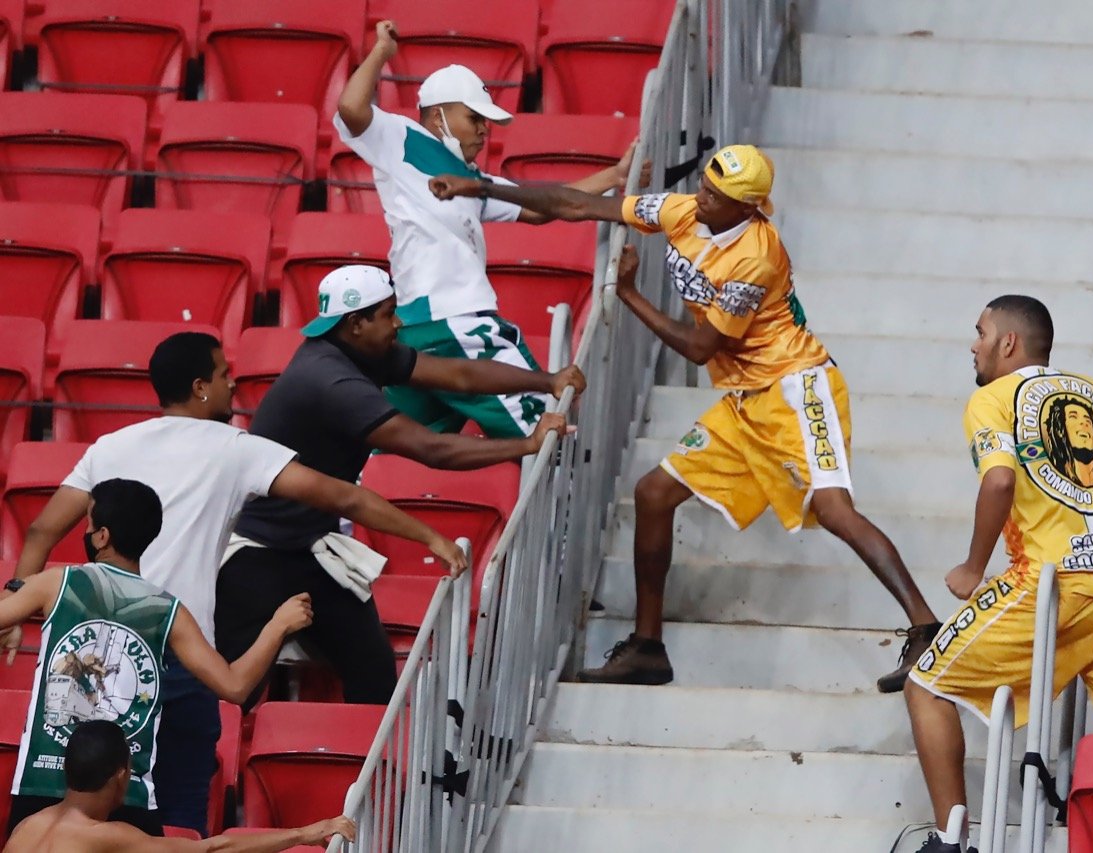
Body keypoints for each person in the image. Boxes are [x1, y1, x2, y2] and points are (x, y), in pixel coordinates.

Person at [430, 144, 941, 691]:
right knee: (653, 494)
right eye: (703, 185)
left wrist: (627, 294)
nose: (700, 198)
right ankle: (648, 647)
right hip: (745, 399)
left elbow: (700, 348)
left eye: (715, 196)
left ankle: (927, 629)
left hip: (795, 389)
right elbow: (577, 206)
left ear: (749, 208)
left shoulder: (755, 256)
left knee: (836, 511)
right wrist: (483, 189)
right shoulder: (684, 212)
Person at [2, 331, 469, 836]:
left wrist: (15, 594)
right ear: (201, 387)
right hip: (179, 657)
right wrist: (432, 538)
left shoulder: (110, 447)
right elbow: (345, 499)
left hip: (94, 652)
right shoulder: (236, 448)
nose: (234, 384)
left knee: (66, 817)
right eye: (225, 375)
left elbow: (42, 529)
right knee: (176, 827)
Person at [902, 295, 1093, 853]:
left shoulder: (992, 401)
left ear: (1008, 343)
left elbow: (998, 483)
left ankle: (949, 841)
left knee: (926, 685)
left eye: (980, 331)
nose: (974, 344)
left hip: (1054, 591)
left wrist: (972, 568)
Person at [216, 264, 581, 707]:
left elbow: (460, 376)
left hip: (313, 550)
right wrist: (526, 444)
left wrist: (546, 379)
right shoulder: (332, 380)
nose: (399, 323)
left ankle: (361, 773)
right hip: (257, 558)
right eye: (389, 314)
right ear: (356, 323)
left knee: (374, 684)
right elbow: (433, 450)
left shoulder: (355, 351)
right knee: (236, 700)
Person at [334, 20, 629, 439]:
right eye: (474, 117)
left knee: (387, 448)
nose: (482, 129)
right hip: (454, 322)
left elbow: (544, 205)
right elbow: (351, 109)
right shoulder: (403, 137)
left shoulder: (470, 179)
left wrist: (613, 175)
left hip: (419, 329)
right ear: (439, 115)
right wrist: (382, 51)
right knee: (551, 431)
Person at [2, 480, 315, 838]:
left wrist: (15, 600)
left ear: (102, 536)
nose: (86, 532)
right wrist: (278, 626)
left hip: (44, 782)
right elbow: (236, 686)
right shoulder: (168, 610)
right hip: (124, 793)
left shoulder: (57, 583)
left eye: (88, 525)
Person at [4, 720, 354, 852]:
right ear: (121, 776)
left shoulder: (25, 828)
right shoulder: (105, 836)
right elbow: (214, 850)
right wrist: (306, 833)